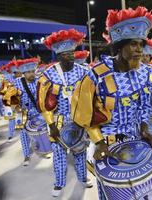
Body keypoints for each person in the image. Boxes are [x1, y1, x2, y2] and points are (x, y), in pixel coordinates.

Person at [71, 6, 152, 200]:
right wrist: (99, 142)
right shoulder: (96, 75)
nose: (139, 50)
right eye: (133, 44)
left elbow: (146, 107)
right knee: (110, 194)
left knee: (139, 191)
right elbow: (84, 115)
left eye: (141, 44)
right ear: (120, 46)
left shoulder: (146, 73)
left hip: (137, 141)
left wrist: (146, 131)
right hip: (107, 144)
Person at [38, 28, 92, 197]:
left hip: (78, 121)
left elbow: (91, 96)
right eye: (65, 55)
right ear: (58, 56)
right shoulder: (48, 75)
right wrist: (51, 125)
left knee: (80, 151)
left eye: (71, 53)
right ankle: (59, 184)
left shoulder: (84, 72)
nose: (69, 57)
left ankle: (83, 178)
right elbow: (43, 103)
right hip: (58, 121)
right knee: (59, 155)